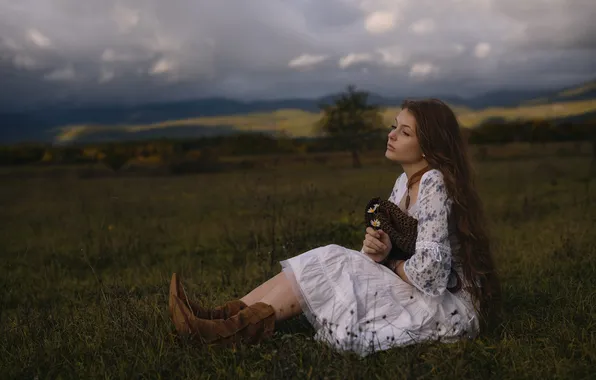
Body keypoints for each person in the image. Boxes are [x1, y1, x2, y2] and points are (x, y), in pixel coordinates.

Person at [169, 98, 502, 357]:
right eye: (393, 126)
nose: (391, 134)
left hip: (445, 306)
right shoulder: (403, 183)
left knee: (332, 257)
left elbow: (431, 274)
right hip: (415, 286)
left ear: (428, 144)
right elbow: (390, 253)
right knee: (330, 257)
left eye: (405, 132)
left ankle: (227, 331)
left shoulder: (434, 183)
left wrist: (390, 261)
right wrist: (379, 250)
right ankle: (221, 316)